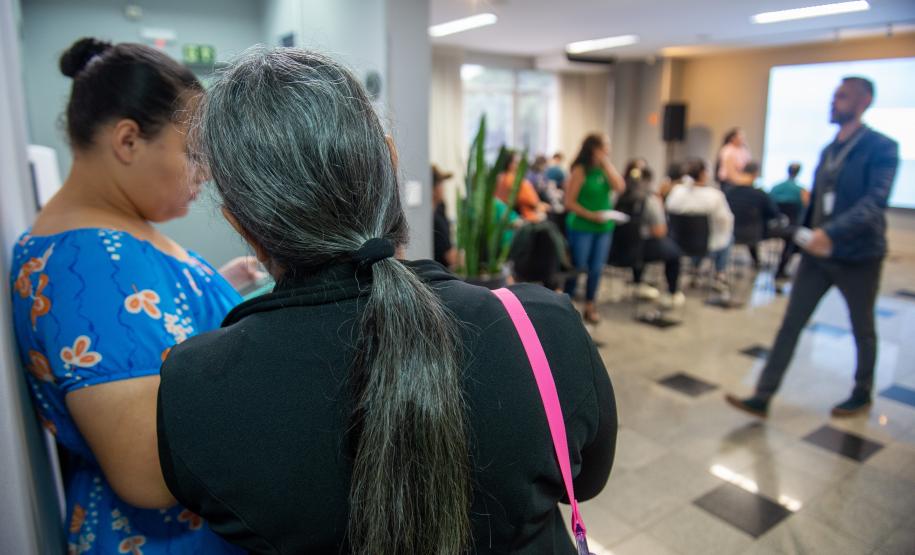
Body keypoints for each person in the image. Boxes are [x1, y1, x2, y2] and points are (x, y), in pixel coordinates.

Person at [156, 47, 617, 554]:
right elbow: (587, 480)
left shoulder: (194, 390)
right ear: (392, 165)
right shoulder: (542, 331)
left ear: (242, 226)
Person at [9, 38, 257, 554]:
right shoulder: (92, 262)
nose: (205, 173)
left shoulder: (112, 234)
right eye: (193, 153)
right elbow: (147, 471)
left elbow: (145, 333)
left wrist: (217, 289)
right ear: (127, 141)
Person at [726, 76, 899, 418]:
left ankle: (862, 392)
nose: (834, 102)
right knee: (790, 323)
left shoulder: (881, 147)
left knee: (862, 327)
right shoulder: (829, 149)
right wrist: (800, 239)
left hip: (858, 256)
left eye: (842, 97)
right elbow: (817, 201)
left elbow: (874, 202)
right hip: (817, 255)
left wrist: (831, 233)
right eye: (834, 96)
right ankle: (762, 395)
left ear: (864, 101)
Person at [563, 134, 626, 323]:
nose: (608, 149)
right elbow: (569, 202)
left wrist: (606, 164)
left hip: (603, 227)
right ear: (593, 148)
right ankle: (566, 305)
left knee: (597, 268)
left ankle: (590, 304)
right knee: (578, 265)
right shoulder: (580, 170)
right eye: (605, 146)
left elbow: (620, 187)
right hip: (582, 226)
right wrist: (591, 215)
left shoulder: (604, 170)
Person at [618, 167, 685, 308]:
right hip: (640, 249)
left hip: (617, 250)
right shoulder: (650, 200)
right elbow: (659, 231)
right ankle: (672, 293)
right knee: (674, 253)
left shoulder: (618, 196)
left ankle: (638, 282)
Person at [666, 158, 734, 290]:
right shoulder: (715, 196)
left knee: (700, 238)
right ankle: (720, 274)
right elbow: (725, 220)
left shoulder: (676, 192)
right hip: (706, 244)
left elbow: (668, 211)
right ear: (703, 173)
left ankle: (696, 268)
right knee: (728, 237)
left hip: (677, 242)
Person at [724, 161, 780, 268]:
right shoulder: (760, 194)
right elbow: (773, 214)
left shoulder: (728, 193)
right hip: (752, 234)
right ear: (755, 174)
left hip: (729, 233)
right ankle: (758, 261)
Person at [769, 162, 810, 280]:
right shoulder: (801, 191)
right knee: (794, 237)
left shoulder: (775, 188)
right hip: (791, 230)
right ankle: (781, 270)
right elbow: (807, 209)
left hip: (771, 228)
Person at [496, 152, 548, 223]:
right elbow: (533, 202)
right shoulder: (516, 181)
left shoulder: (498, 178)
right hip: (521, 217)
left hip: (502, 216)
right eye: (517, 162)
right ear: (510, 164)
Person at [432, 165, 457, 269]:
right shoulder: (436, 221)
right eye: (440, 184)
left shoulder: (439, 211)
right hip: (441, 271)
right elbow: (450, 257)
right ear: (433, 189)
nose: (443, 188)